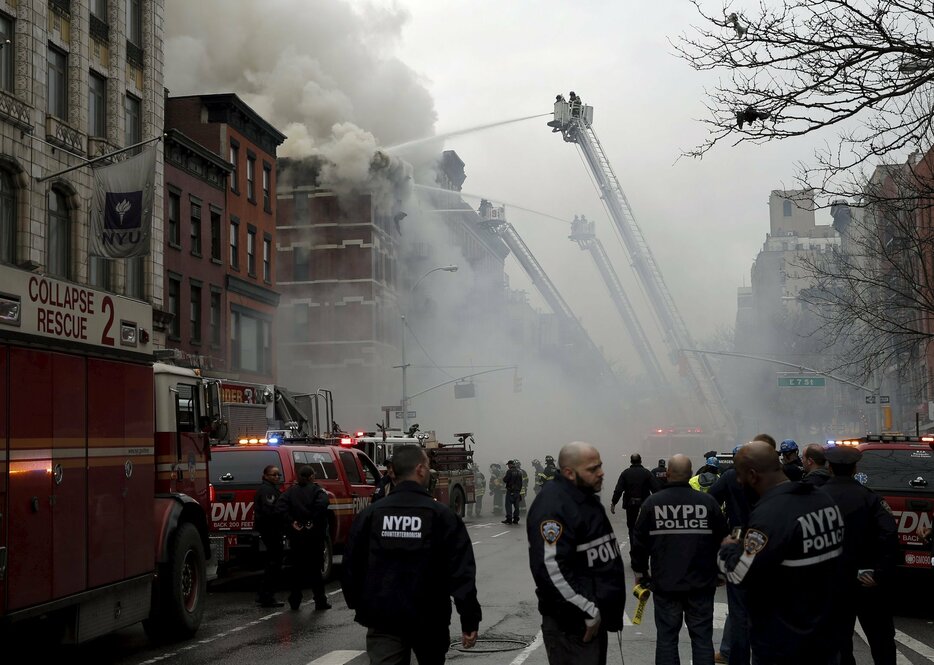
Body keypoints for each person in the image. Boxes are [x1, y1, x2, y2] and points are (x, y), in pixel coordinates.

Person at [342, 445, 481, 664]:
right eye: (427, 465)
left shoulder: (371, 514)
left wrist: (361, 606)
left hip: (383, 618)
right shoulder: (442, 516)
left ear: (392, 473)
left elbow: (352, 565)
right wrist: (469, 619)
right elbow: (461, 572)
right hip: (430, 618)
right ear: (420, 470)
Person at [718, 441, 844, 665]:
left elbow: (739, 574)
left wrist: (728, 549)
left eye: (740, 476)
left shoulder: (768, 517)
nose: (738, 481)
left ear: (753, 475)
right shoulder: (824, 501)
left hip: (783, 645)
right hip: (828, 639)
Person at [527, 441, 626, 665]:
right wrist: (588, 609)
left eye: (600, 466)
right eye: (592, 469)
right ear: (569, 473)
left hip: (591, 620)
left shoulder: (584, 499)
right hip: (573, 626)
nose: (601, 473)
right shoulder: (554, 506)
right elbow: (551, 569)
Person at [631, 454, 728, 665]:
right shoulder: (708, 502)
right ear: (691, 473)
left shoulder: (652, 504)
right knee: (702, 639)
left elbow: (639, 544)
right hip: (701, 583)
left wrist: (640, 574)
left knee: (666, 640)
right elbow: (725, 541)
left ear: (667, 474)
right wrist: (720, 572)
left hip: (666, 584)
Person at [821, 445, 898, 665]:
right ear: (855, 469)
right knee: (881, 639)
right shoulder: (870, 498)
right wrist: (879, 574)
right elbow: (889, 534)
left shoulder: (817, 498)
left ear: (829, 468)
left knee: (838, 641)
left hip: (833, 582)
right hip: (867, 580)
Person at [708, 444, 753, 665]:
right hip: (766, 539)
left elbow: (711, 500)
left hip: (738, 541)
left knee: (738, 605)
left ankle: (729, 653)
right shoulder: (763, 475)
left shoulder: (729, 476)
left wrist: (721, 530)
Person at [277, 464, 332, 611]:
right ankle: (320, 600)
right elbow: (323, 504)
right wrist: (311, 520)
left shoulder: (290, 492)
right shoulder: (317, 490)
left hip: (296, 537)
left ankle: (295, 600)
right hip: (314, 536)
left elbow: (280, 506)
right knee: (315, 569)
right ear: (311, 477)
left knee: (296, 569)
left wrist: (292, 521)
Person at [254, 464, 285, 608]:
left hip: (271, 529)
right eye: (274, 475)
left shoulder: (270, 489)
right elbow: (270, 511)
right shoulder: (268, 491)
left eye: (278, 475)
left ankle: (262, 595)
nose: (277, 477)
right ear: (265, 476)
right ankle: (268, 596)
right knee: (274, 563)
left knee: (272, 562)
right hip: (271, 530)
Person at [610, 453, 659, 543]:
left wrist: (614, 502)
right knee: (645, 525)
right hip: (645, 504)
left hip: (630, 504)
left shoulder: (625, 473)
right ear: (640, 461)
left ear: (631, 461)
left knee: (631, 526)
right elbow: (655, 489)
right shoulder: (647, 473)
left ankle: (633, 546)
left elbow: (618, 490)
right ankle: (643, 545)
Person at [502, 459, 523, 525]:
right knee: (516, 506)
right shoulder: (519, 472)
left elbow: (505, 480)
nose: (508, 466)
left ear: (510, 465)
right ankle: (516, 519)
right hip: (517, 491)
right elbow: (521, 482)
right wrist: (519, 490)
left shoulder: (509, 471)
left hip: (510, 490)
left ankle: (509, 519)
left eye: (508, 465)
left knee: (508, 505)